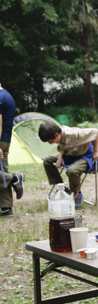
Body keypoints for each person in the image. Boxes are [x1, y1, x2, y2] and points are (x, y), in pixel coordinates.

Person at [38, 120, 98, 208]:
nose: (52, 144)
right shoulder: (60, 134)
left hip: (85, 155)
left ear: (56, 134)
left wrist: (96, 151)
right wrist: (60, 156)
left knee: (72, 170)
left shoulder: (74, 134)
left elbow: (95, 131)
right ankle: (62, 189)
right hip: (71, 154)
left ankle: (77, 194)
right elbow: (66, 145)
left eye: (51, 141)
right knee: (47, 160)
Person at [0, 84, 24, 217]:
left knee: (3, 172)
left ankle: (14, 178)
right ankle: (6, 207)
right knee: (2, 169)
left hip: (0, 139)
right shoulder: (7, 95)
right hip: (6, 138)